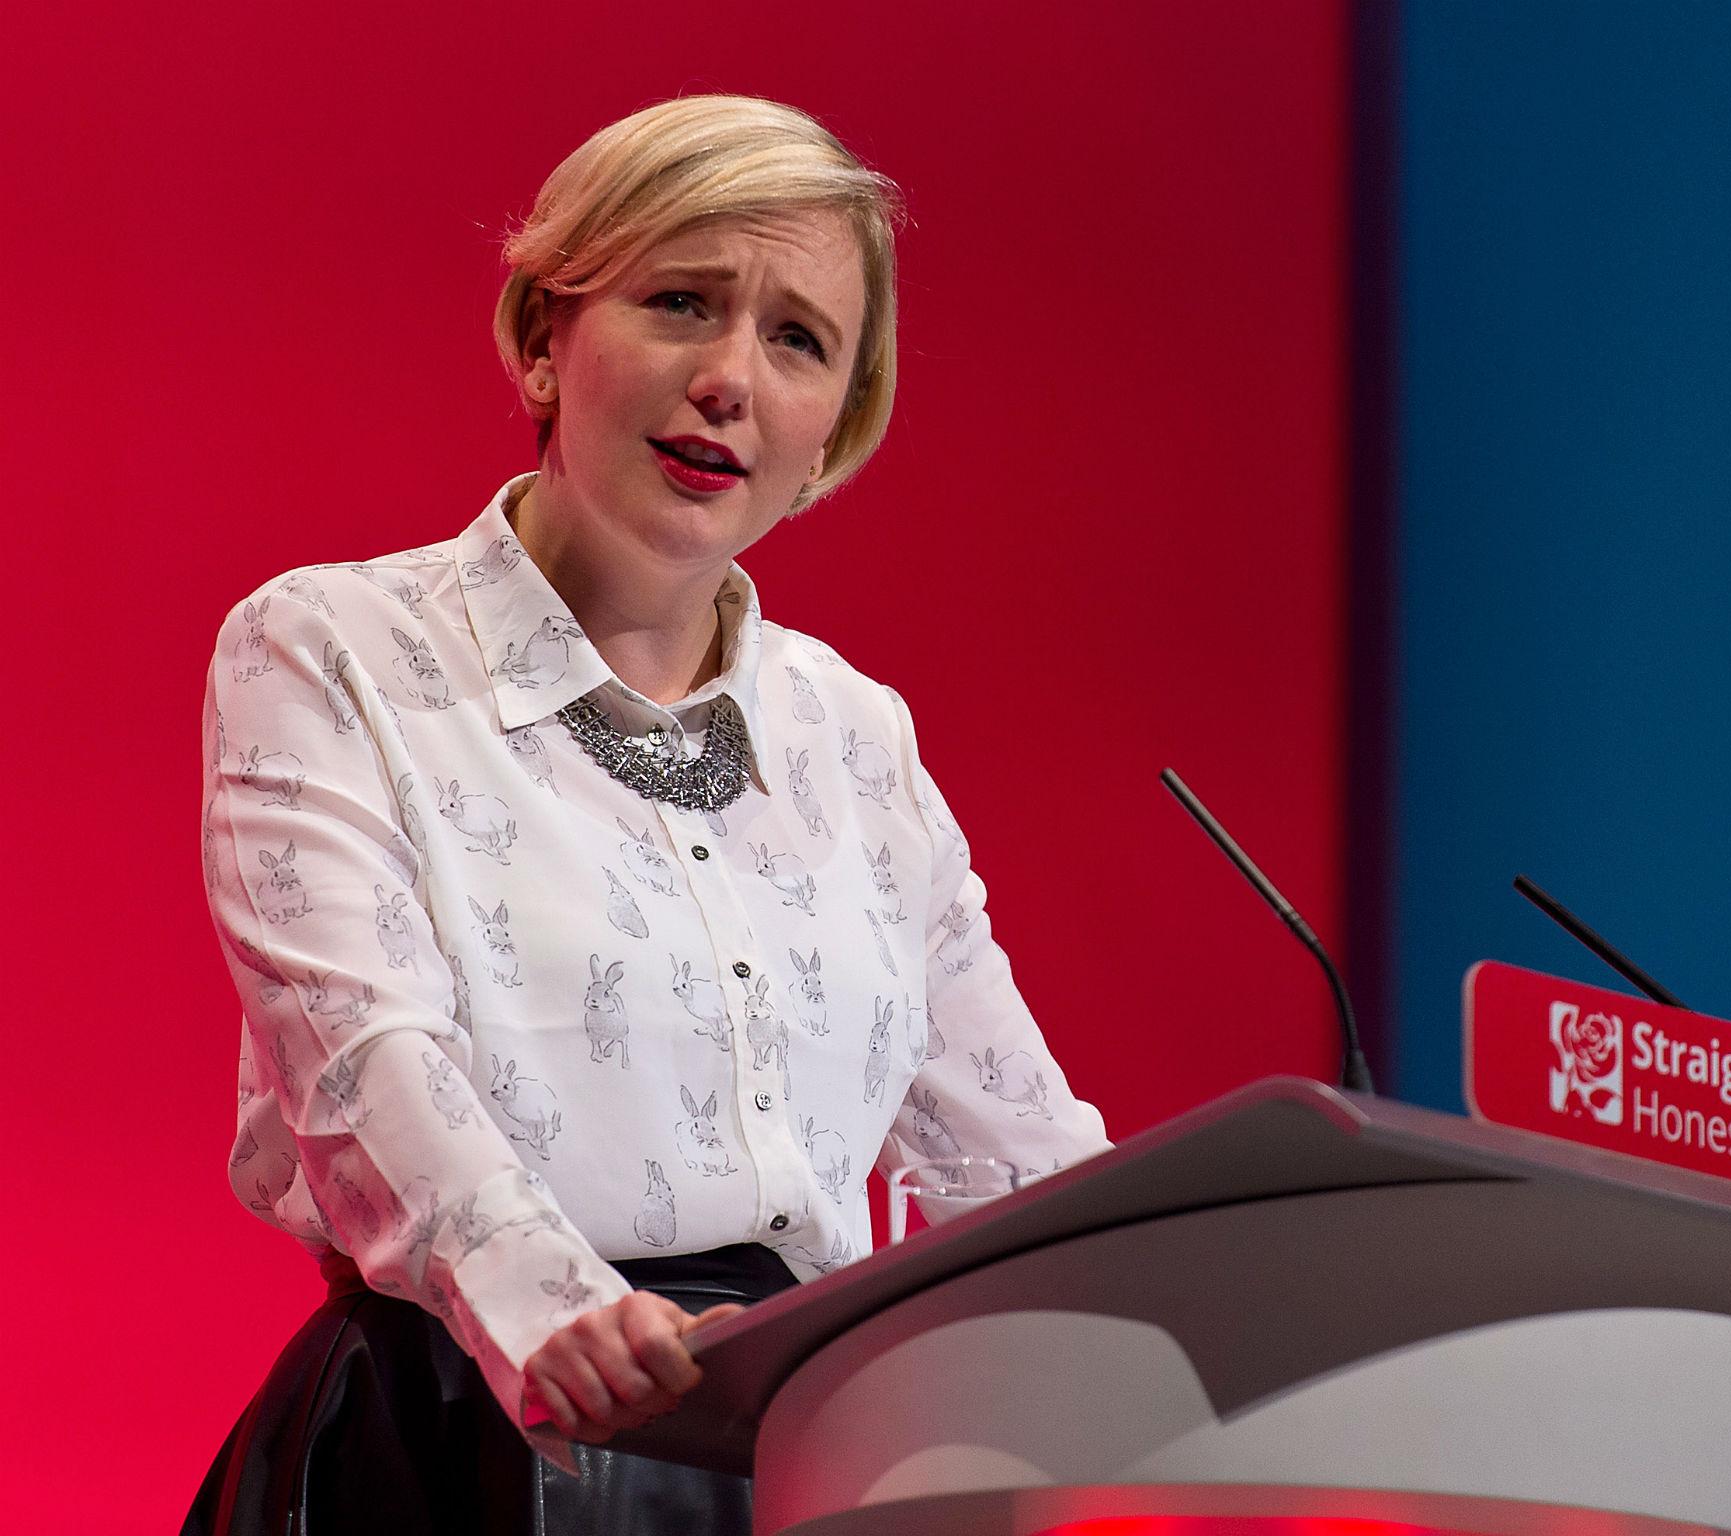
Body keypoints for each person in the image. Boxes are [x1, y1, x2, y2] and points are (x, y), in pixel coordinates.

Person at [183, 93, 1111, 1536]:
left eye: (798, 339)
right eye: (682, 302)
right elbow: (366, 1063)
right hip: (457, 1448)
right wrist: (548, 1306)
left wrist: (1201, 1306)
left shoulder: (853, 734)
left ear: (830, 440)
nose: (730, 377)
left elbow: (1016, 1152)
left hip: (800, 1455)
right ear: (546, 337)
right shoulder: (328, 647)